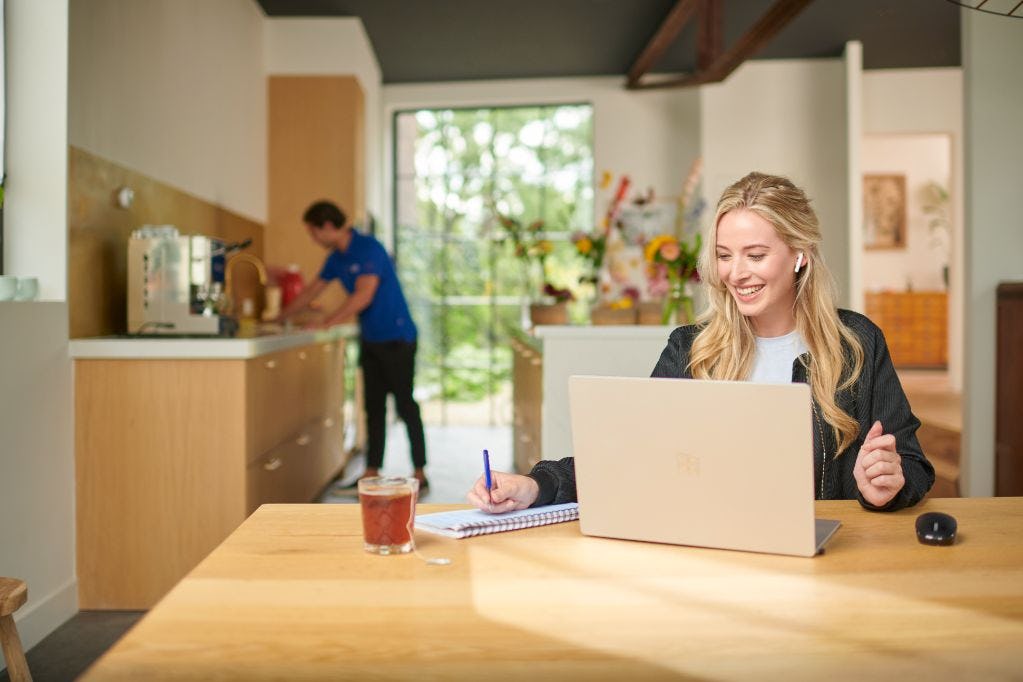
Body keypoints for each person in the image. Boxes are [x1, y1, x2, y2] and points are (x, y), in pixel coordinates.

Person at [468, 172, 934, 513]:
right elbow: (628, 452)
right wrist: (536, 485)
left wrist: (888, 484)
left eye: (755, 255)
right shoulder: (691, 348)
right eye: (724, 256)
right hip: (711, 553)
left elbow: (911, 464)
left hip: (825, 562)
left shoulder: (857, 343)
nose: (736, 273)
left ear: (799, 255)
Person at [279, 200, 428, 488]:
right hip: (371, 339)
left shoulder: (368, 247)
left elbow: (364, 295)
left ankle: (420, 472)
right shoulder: (337, 258)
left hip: (398, 338)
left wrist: (327, 322)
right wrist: (280, 316)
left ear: (327, 226)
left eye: (313, 233)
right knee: (373, 406)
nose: (313, 239)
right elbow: (312, 290)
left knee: (404, 405)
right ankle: (371, 472)